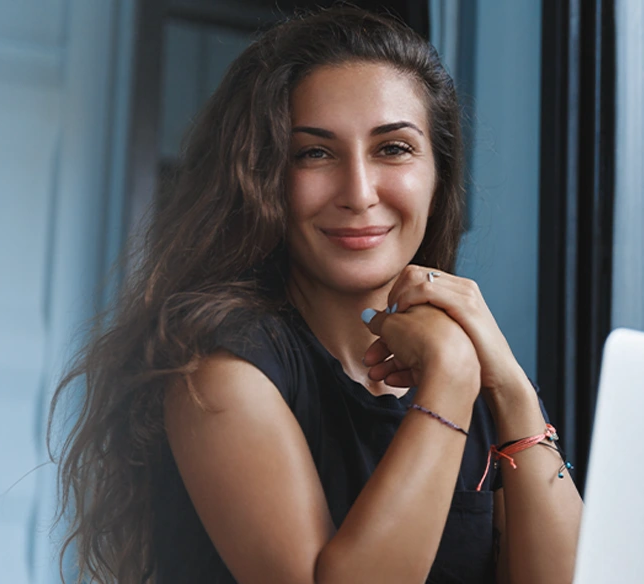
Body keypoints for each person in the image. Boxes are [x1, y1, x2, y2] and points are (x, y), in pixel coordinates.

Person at [50, 7, 583, 583]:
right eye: (315, 153)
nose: (358, 192)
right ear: (263, 176)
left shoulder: (472, 369)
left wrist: (510, 387)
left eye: (394, 149)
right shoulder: (219, 376)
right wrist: (451, 381)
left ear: (438, 173)